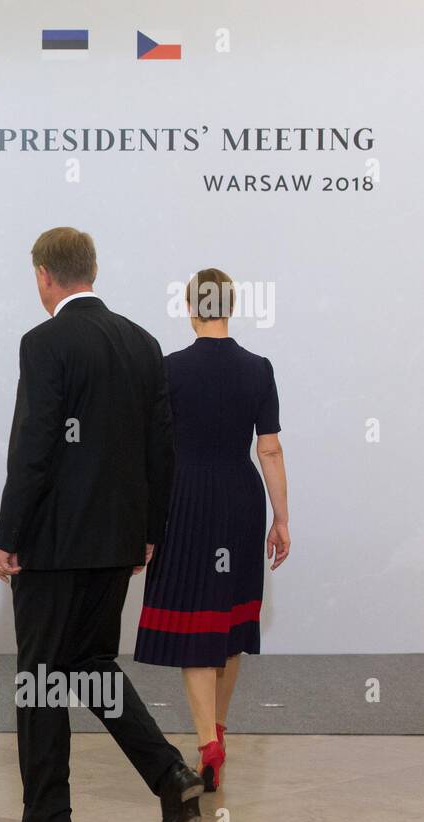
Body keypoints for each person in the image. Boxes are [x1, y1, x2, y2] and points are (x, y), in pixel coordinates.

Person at [0, 227, 204, 822]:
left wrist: (9, 535)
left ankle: (47, 821)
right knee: (90, 668)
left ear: (43, 276)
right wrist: (148, 536)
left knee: (40, 682)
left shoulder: (44, 342)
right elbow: (163, 451)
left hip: (53, 545)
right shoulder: (142, 342)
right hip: (117, 544)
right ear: (93, 270)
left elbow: (35, 445)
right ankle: (170, 776)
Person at [134, 268, 290, 792]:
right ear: (232, 305)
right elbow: (268, 448)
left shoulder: (170, 368)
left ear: (189, 307)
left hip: (187, 498)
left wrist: (143, 517)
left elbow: (153, 450)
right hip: (242, 498)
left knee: (195, 625)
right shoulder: (258, 368)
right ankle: (219, 729)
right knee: (228, 623)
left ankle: (207, 742)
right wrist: (282, 518)